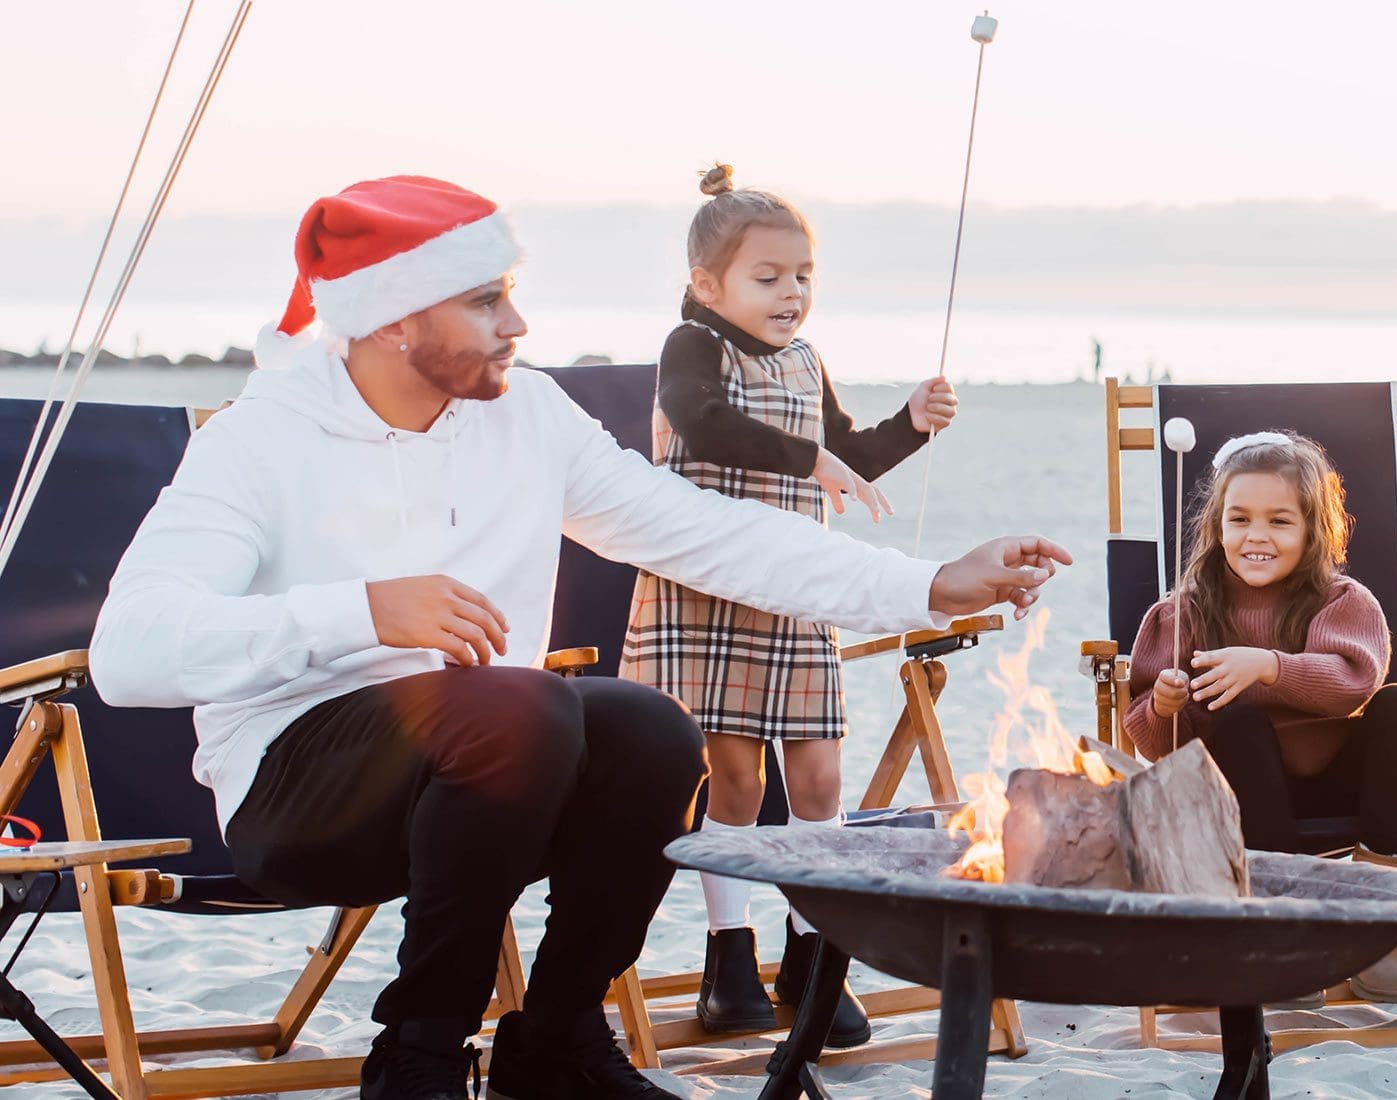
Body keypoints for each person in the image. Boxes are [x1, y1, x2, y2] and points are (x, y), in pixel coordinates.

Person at [84, 176, 1071, 1100]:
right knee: (517, 703)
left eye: (511, 294)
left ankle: (555, 1038)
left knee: (650, 727)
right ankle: (419, 1053)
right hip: (301, 797)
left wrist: (929, 583)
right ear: (392, 319)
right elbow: (127, 650)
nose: (517, 325)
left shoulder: (527, 416)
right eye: (485, 301)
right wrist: (361, 611)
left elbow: (705, 533)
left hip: (492, 787)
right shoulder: (259, 440)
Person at [615, 164, 960, 1041]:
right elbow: (701, 422)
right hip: (706, 590)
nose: (792, 294)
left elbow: (849, 458)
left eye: (803, 276)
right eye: (768, 278)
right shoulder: (693, 348)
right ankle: (728, 957)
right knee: (736, 779)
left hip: (798, 590)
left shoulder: (807, 361)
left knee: (818, 778)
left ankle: (812, 956)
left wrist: (911, 425)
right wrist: (811, 460)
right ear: (707, 284)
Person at [1123, 431, 1397, 1003]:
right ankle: (1282, 927)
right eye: (1239, 519)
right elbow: (1157, 745)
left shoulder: (1343, 602)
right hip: (1243, 799)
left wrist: (1270, 667)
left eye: (1280, 521)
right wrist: (1164, 705)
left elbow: (1352, 686)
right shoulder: (1183, 613)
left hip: (1334, 785)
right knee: (1240, 723)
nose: (1256, 536)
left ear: (1313, 530)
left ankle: (1378, 917)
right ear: (1217, 527)